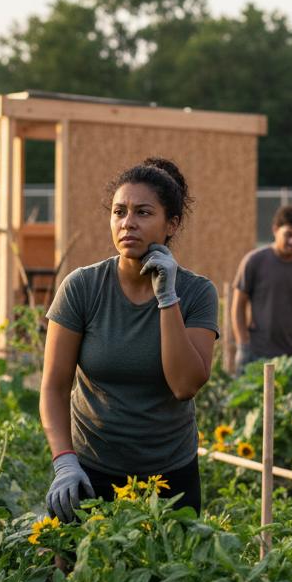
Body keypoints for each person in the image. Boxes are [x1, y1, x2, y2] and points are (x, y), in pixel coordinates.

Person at [39, 156, 218, 521]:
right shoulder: (82, 288)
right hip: (91, 473)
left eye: (143, 213)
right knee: (79, 577)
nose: (128, 223)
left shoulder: (197, 293)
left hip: (168, 478)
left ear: (172, 224)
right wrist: (64, 463)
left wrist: (167, 298)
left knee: (162, 578)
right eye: (119, 212)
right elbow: (54, 388)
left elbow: (185, 385)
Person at [230, 204, 292, 374]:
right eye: (289, 235)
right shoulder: (254, 261)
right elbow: (238, 306)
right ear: (275, 230)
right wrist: (242, 345)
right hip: (256, 354)